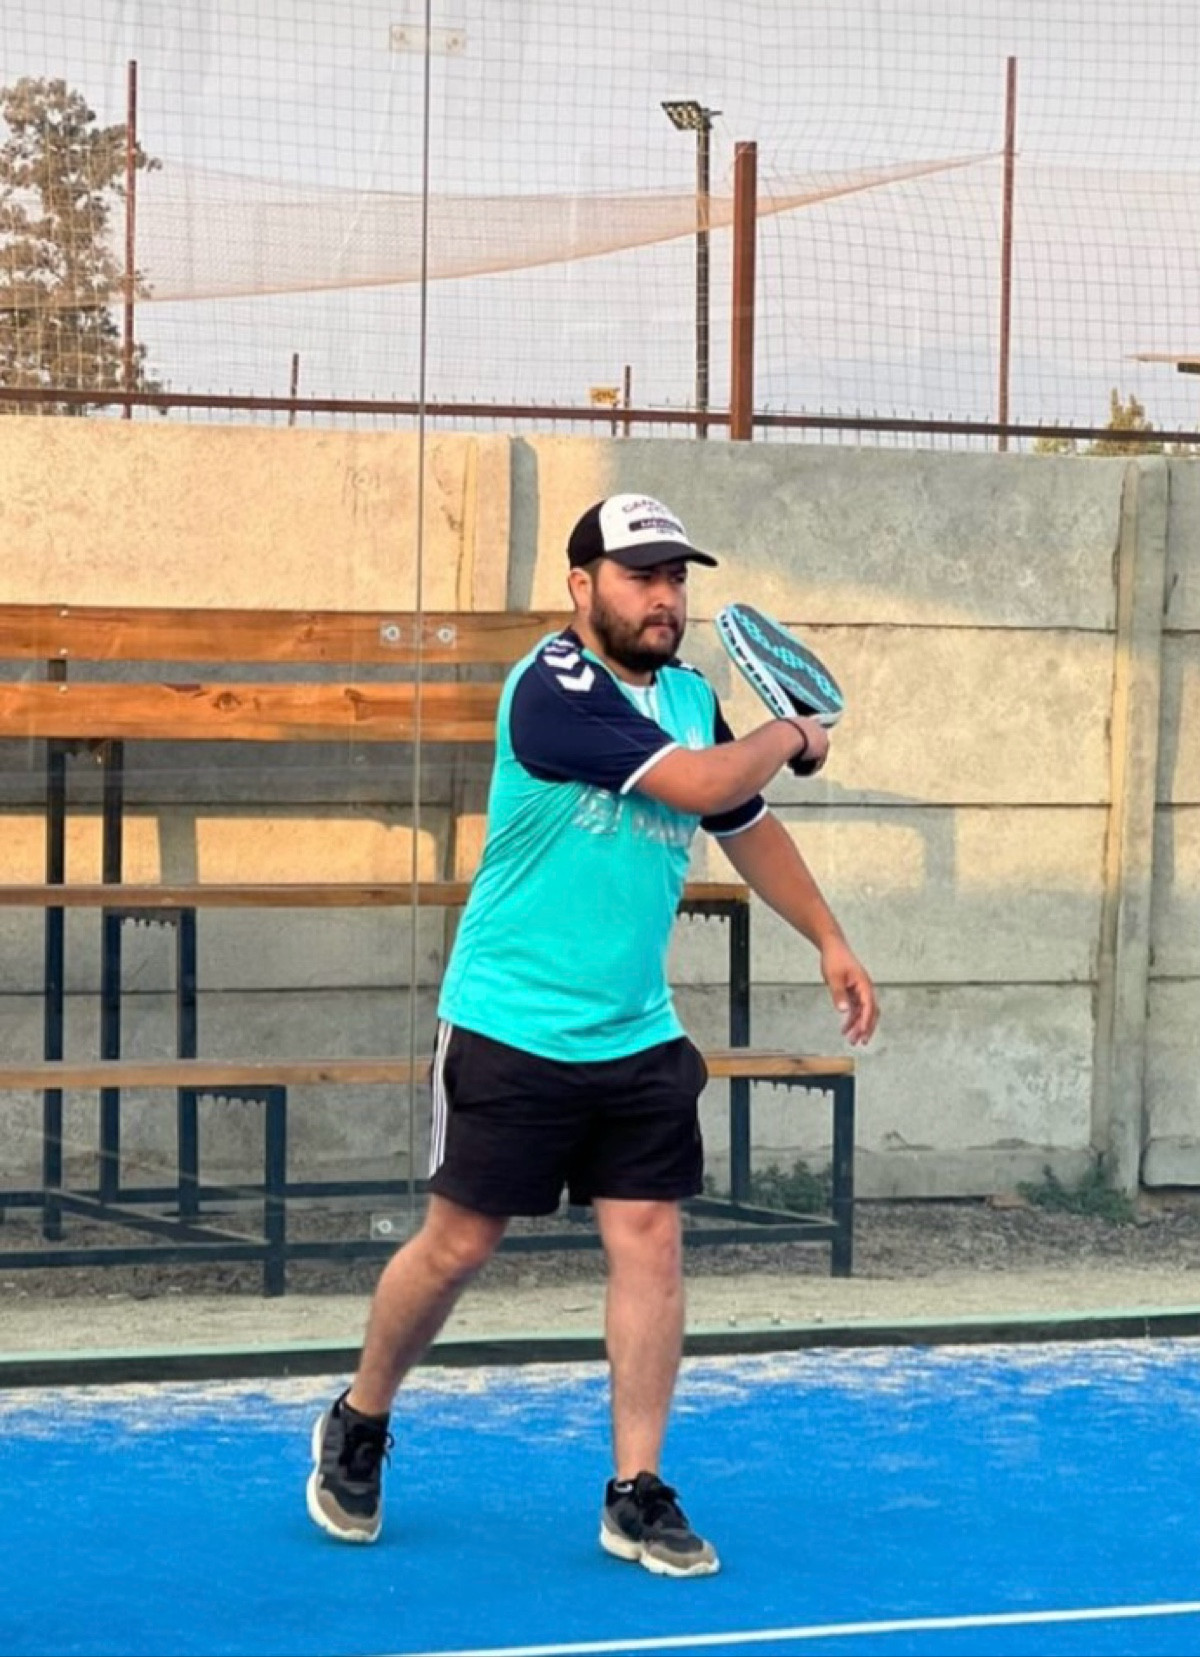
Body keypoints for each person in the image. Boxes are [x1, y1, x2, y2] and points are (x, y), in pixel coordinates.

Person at [307, 492, 878, 1575]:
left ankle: (636, 1490)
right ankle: (362, 1415)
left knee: (650, 1239)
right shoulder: (552, 688)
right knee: (459, 1245)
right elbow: (706, 779)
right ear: (582, 586)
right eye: (639, 576)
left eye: (675, 578)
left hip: (634, 1029)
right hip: (510, 1022)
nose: (664, 597)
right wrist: (794, 732)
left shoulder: (690, 696)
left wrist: (829, 937)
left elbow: (741, 820)